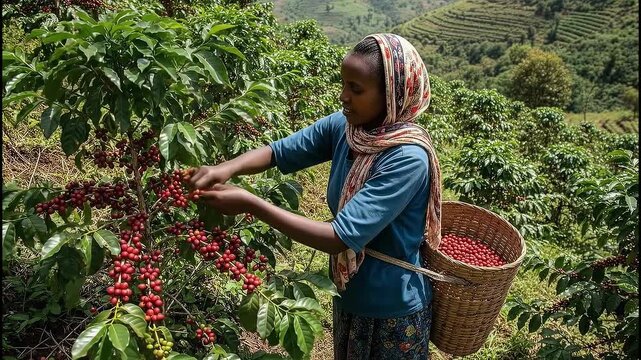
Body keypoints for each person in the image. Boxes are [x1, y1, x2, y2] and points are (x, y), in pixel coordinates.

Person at [188, 33, 442, 360]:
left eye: (357, 89)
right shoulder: (347, 128)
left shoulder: (406, 158)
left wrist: (250, 203)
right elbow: (279, 152)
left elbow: (339, 237)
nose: (344, 97)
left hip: (391, 309)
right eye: (344, 84)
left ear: (391, 96)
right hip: (350, 292)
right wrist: (225, 168)